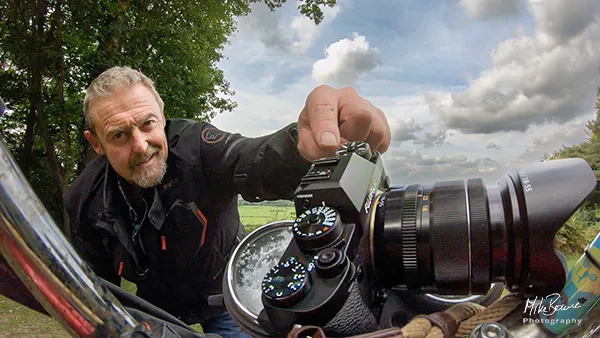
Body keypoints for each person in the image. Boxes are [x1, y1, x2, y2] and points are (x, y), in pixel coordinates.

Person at [65, 66, 391, 337]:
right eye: (118, 135)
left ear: (162, 118)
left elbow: (249, 159)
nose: (140, 145)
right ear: (96, 143)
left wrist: (301, 146)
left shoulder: (197, 147)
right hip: (154, 309)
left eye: (147, 123)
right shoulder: (84, 200)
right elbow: (97, 291)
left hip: (225, 294)